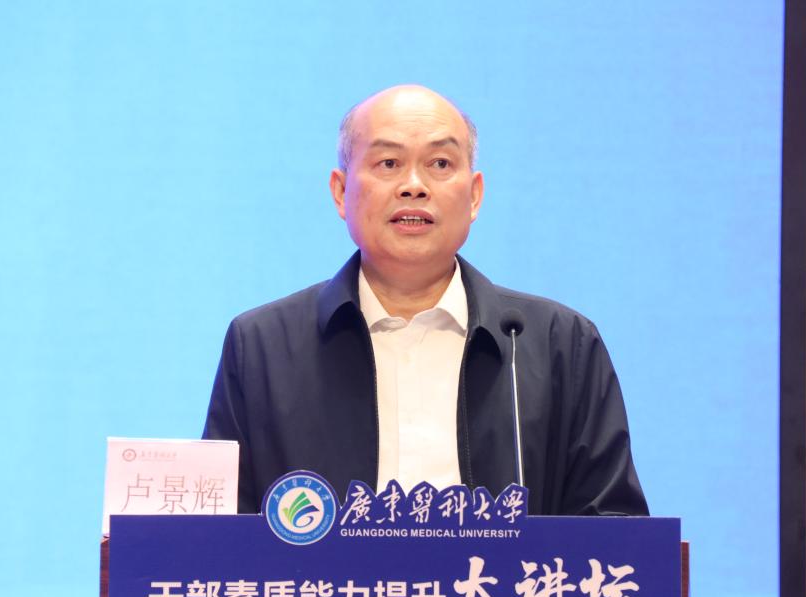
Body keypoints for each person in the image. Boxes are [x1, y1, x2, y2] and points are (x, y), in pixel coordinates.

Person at [203, 85, 648, 517]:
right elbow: (218, 534)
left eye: (439, 163)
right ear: (341, 192)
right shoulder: (262, 347)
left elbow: (615, 531)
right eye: (388, 163)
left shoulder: (559, 345)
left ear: (474, 195)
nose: (413, 186)